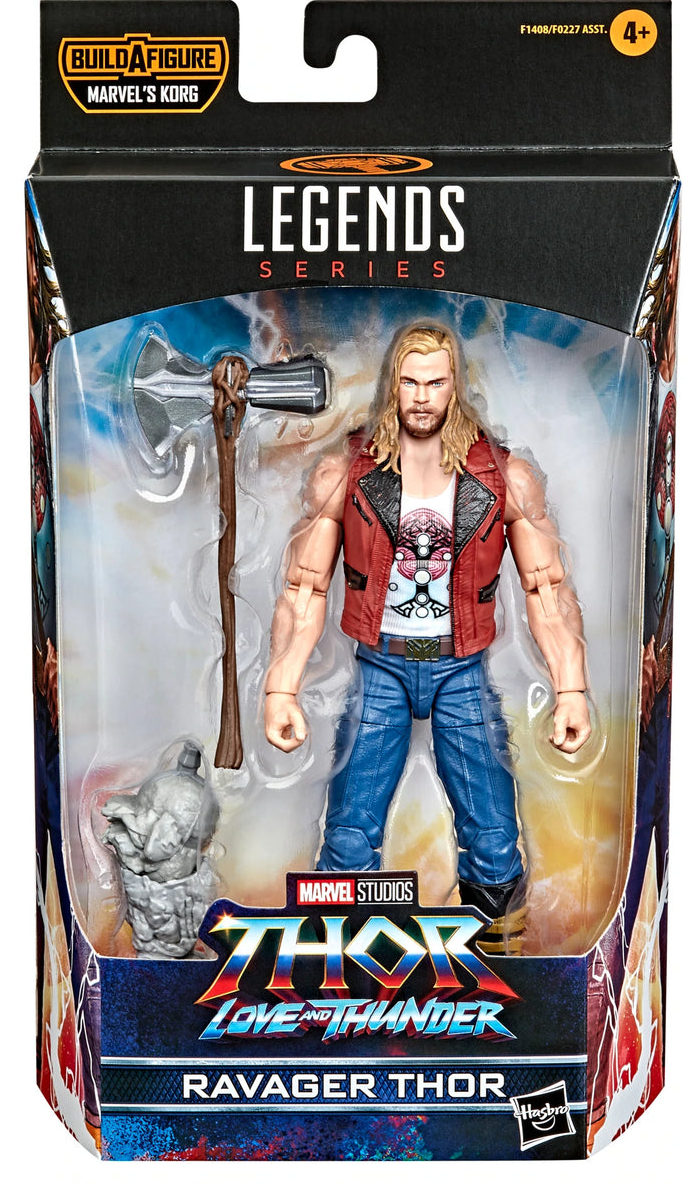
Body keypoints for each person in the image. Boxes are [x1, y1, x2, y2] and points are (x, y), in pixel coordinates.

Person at [263, 325, 590, 947]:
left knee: (493, 831)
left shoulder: (503, 477)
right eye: (410, 382)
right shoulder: (346, 473)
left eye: (435, 382)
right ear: (393, 384)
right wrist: (282, 687)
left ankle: (499, 953)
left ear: (454, 385)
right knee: (349, 830)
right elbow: (304, 586)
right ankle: (339, 951)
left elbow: (546, 588)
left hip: (460, 666)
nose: (421, 396)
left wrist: (570, 688)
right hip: (380, 664)